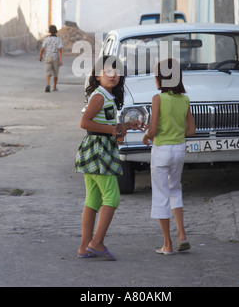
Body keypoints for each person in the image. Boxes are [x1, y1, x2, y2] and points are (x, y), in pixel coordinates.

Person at [75, 55, 142, 260]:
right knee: (112, 198)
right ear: (97, 75)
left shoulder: (106, 96)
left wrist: (127, 126)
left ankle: (84, 247)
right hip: (98, 149)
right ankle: (97, 243)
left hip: (98, 147)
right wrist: (113, 129)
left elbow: (107, 125)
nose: (112, 76)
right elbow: (84, 123)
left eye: (116, 72)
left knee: (93, 200)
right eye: (107, 71)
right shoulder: (99, 96)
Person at [143, 58, 195, 255]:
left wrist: (146, 134)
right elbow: (191, 130)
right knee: (175, 189)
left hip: (162, 151)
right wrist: (176, 132)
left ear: (161, 80)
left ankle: (167, 244)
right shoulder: (185, 100)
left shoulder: (158, 99)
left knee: (161, 194)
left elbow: (154, 129)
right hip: (179, 150)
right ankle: (182, 234)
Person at [39, 25, 63, 92]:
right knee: (55, 72)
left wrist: (40, 56)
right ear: (56, 31)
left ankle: (47, 84)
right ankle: (54, 87)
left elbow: (42, 49)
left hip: (48, 57)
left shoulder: (47, 39)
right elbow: (60, 50)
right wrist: (60, 60)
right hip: (55, 57)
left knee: (48, 71)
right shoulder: (58, 40)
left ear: (49, 31)